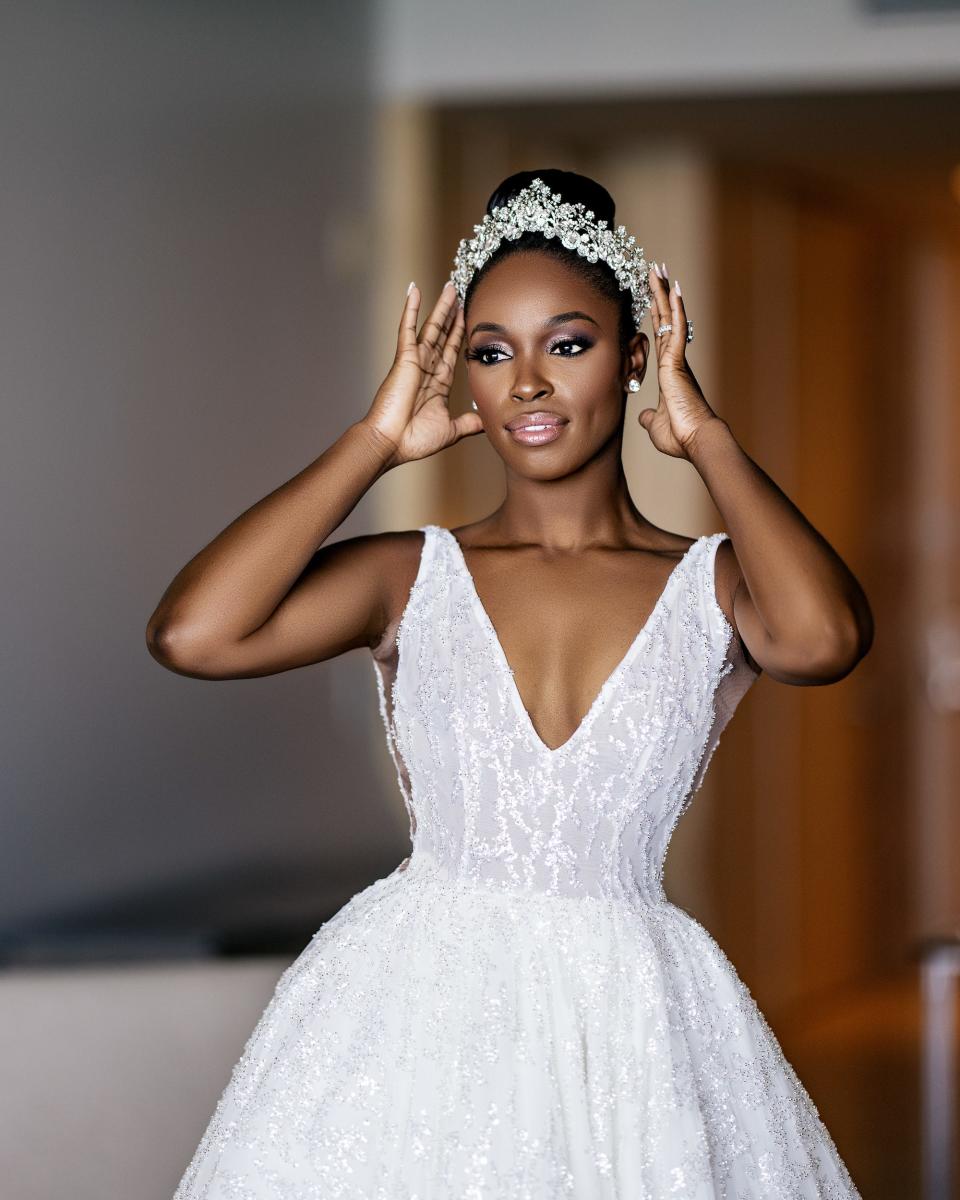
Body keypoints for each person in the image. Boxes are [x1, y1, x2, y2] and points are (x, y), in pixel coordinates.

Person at [148, 168, 871, 1197]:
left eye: (567, 344)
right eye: (492, 354)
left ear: (635, 352)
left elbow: (827, 637)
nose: (525, 384)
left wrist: (709, 438)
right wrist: (372, 445)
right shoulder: (409, 577)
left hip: (634, 1030)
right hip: (411, 1017)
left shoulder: (707, 586)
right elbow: (192, 632)